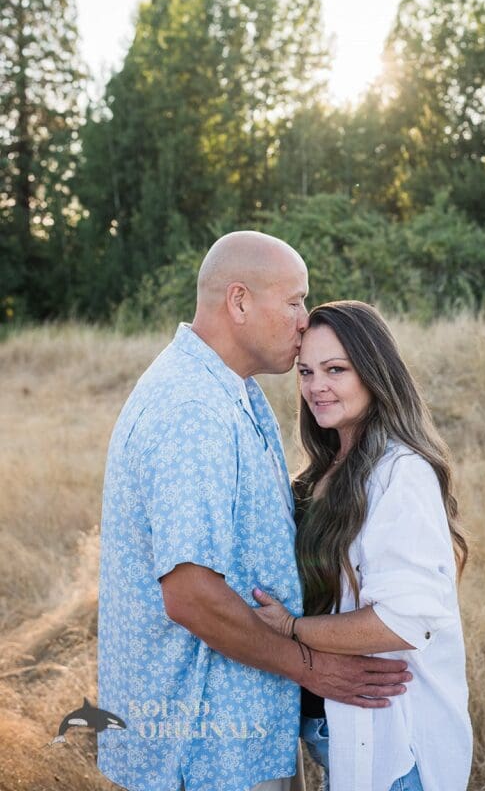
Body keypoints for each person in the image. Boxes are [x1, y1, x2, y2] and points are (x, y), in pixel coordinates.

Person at [97, 235, 410, 791]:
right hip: (204, 749)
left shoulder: (230, 390)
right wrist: (313, 666)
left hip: (236, 735)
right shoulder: (191, 410)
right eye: (294, 300)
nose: (304, 319)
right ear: (239, 302)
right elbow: (191, 594)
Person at [253, 301, 473, 791]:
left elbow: (404, 619)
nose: (316, 387)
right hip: (338, 732)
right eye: (307, 372)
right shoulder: (325, 470)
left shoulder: (401, 473)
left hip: (394, 748)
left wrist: (291, 629)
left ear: (374, 374)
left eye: (336, 369)